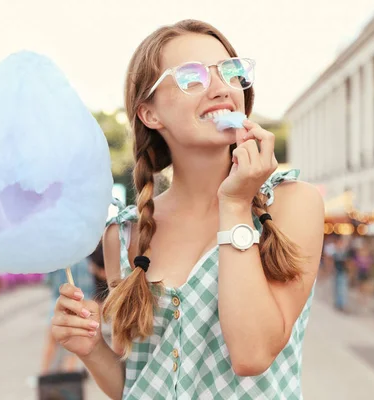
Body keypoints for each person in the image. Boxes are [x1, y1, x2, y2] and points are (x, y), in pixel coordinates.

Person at [51, 19, 324, 399]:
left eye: (230, 72)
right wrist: (91, 348)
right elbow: (138, 382)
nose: (221, 88)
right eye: (191, 77)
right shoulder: (125, 233)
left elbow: (253, 354)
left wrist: (234, 204)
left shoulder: (293, 202)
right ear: (150, 114)